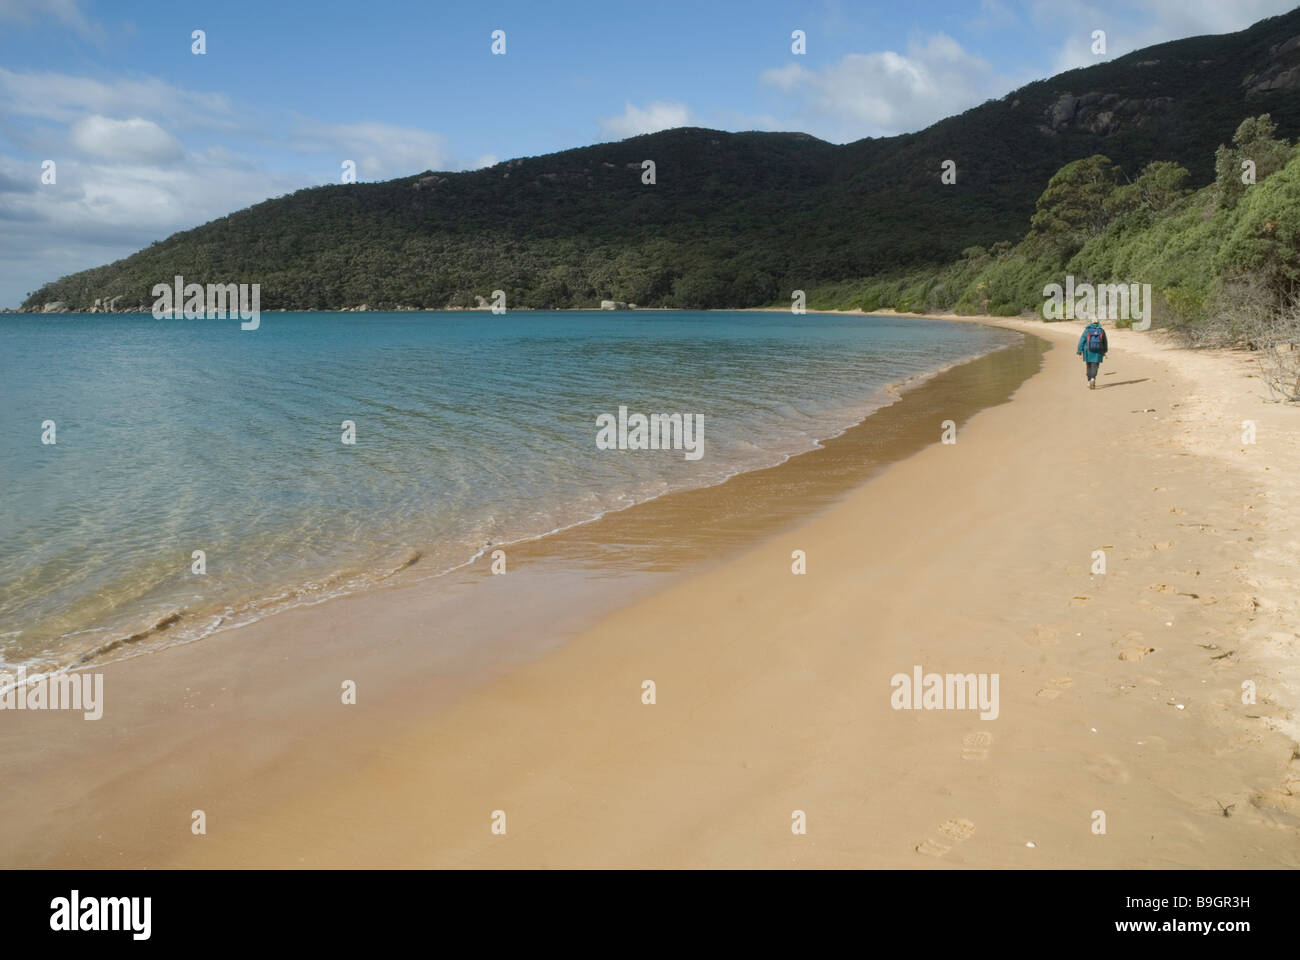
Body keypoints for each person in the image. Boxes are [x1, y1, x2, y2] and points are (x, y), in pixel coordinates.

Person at [1077, 318, 1108, 389]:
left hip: (1088, 351)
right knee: (1095, 365)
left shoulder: (1087, 330)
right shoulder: (1101, 330)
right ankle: (1093, 378)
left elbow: (1082, 341)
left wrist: (1079, 351)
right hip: (1098, 351)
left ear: (1091, 322)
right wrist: (1105, 351)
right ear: (1098, 322)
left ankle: (1089, 381)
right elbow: (1105, 342)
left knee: (1089, 366)